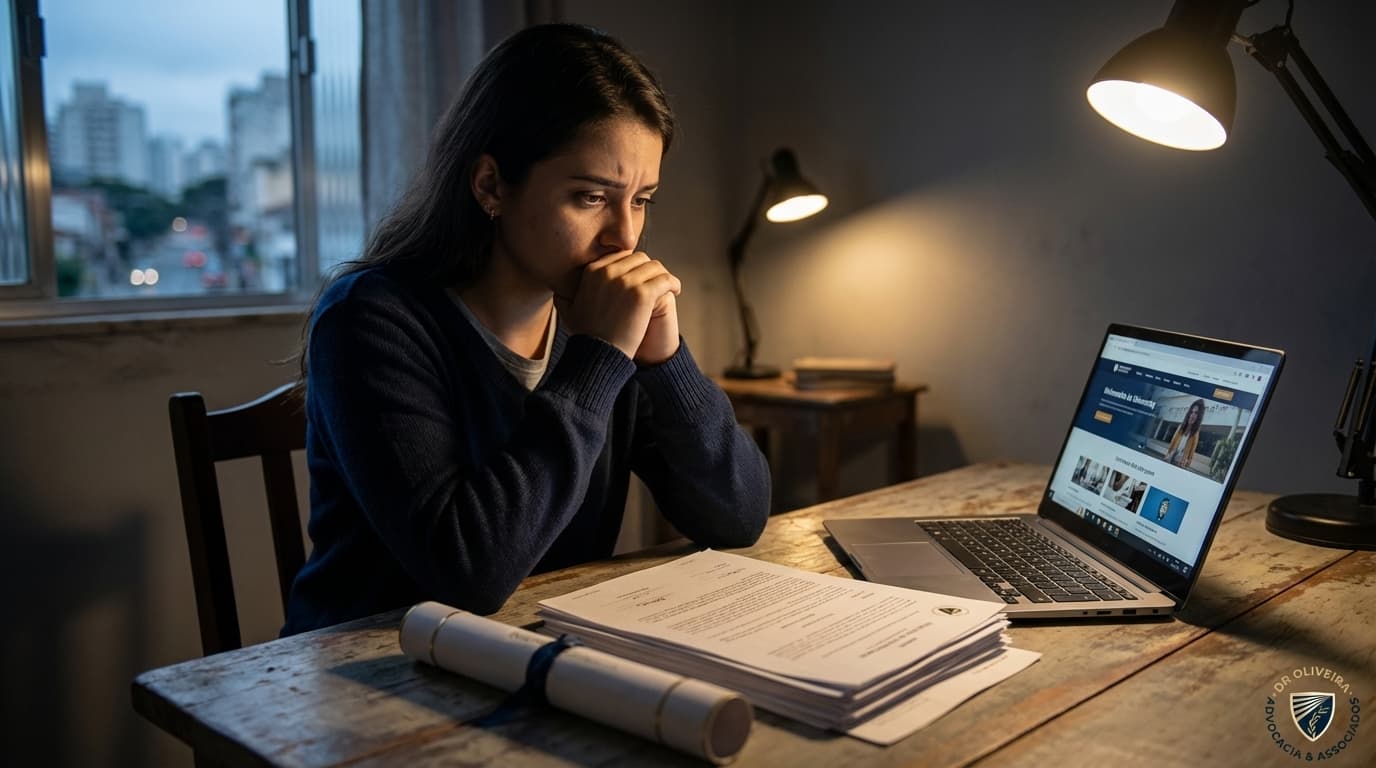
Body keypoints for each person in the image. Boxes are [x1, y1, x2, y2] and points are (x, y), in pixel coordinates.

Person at [281, 24, 771, 635]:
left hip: (538, 648)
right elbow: (472, 573)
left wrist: (667, 363)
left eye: (642, 199)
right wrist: (598, 360)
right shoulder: (369, 320)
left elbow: (740, 516)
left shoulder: (595, 321)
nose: (625, 236)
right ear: (491, 185)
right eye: (592, 197)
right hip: (370, 670)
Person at [1165, 398, 1206, 469]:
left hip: (1181, 462)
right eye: (1191, 412)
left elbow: (1192, 450)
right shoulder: (1181, 427)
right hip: (1171, 457)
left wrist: (1187, 463)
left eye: (1196, 413)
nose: (1192, 415)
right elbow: (1173, 441)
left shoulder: (1195, 433)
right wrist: (1168, 454)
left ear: (1199, 416)